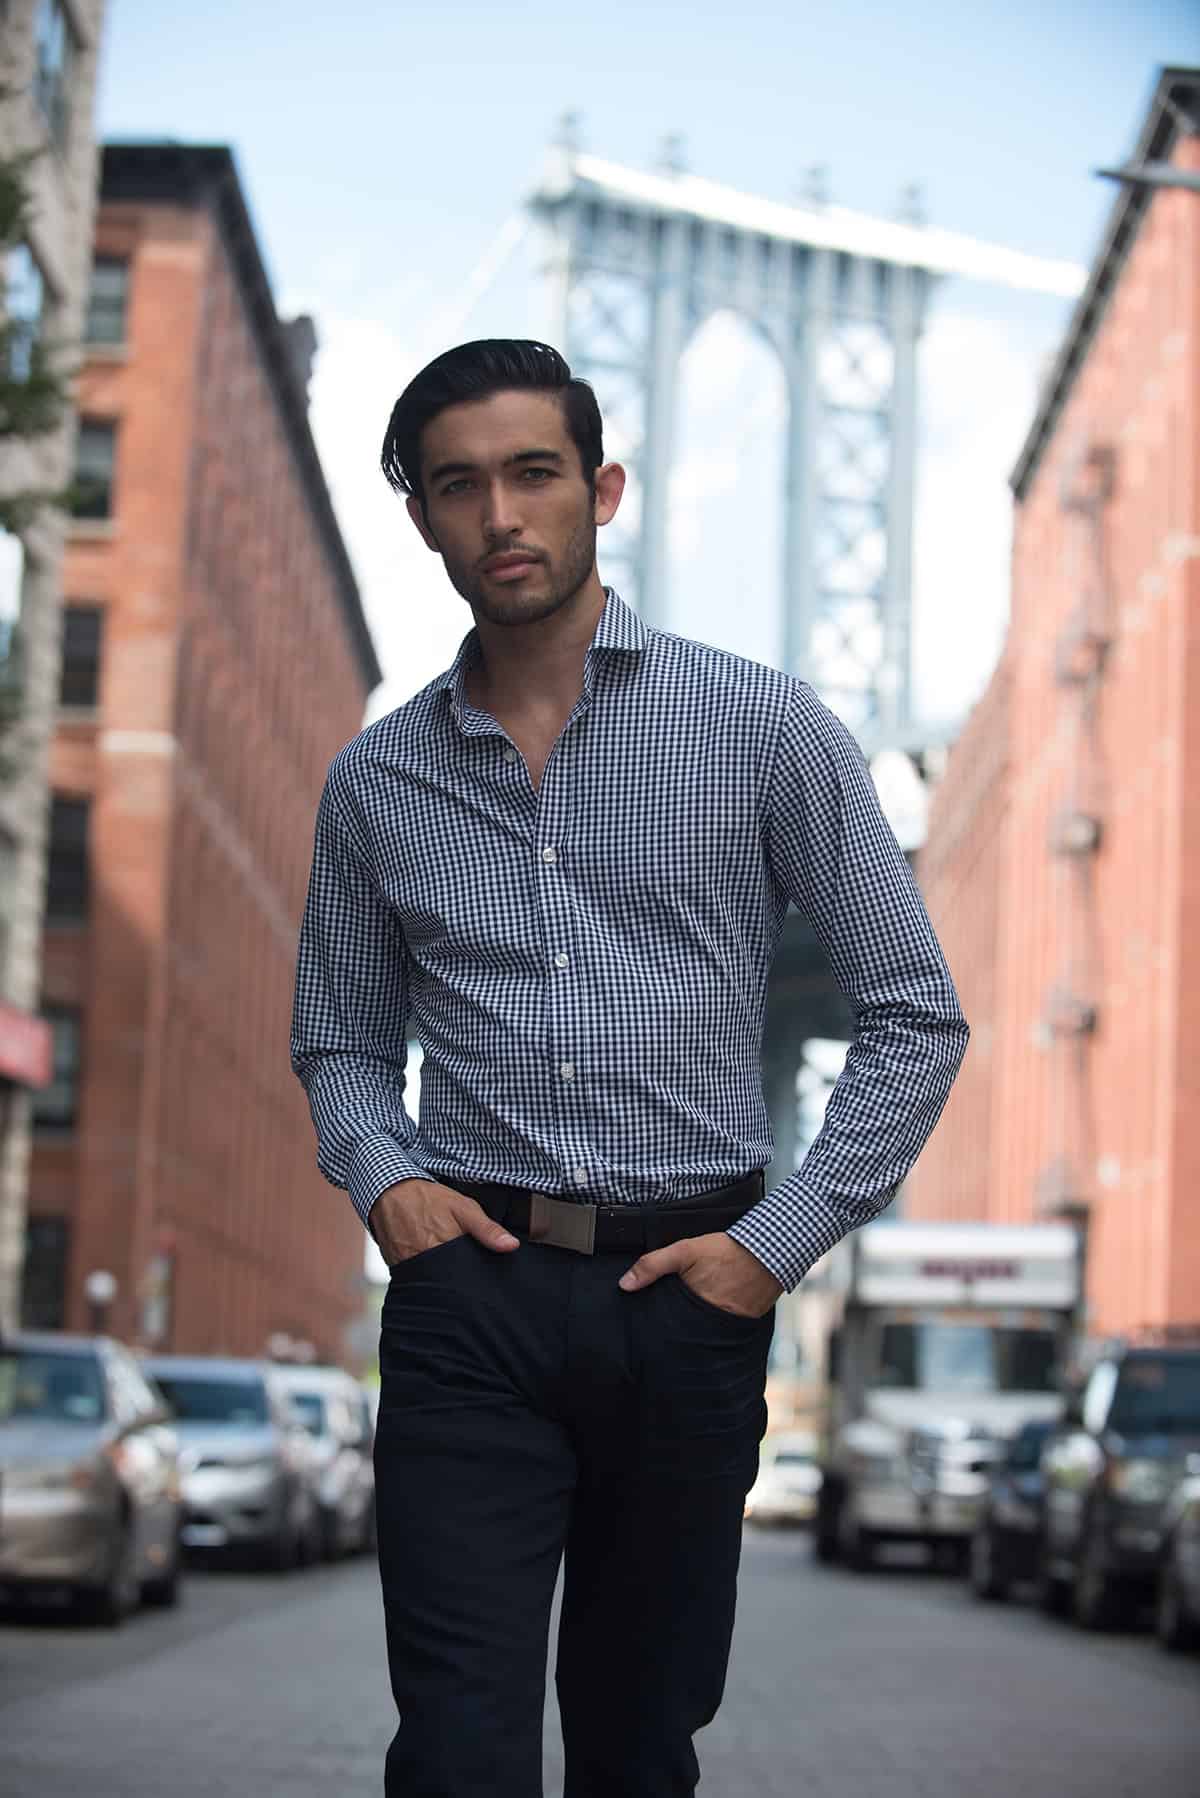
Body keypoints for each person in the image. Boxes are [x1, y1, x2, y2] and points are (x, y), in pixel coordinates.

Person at [290, 338, 969, 1797]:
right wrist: (388, 1184)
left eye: (533, 473)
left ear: (601, 490)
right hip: (470, 1298)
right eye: (459, 486)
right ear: (422, 518)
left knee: (638, 1747)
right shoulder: (375, 780)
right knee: (455, 1751)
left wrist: (772, 1249)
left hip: (689, 1296)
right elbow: (339, 1036)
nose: (501, 516)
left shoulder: (767, 728)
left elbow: (914, 1012)